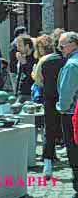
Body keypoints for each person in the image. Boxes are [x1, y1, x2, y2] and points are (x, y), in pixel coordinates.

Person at [56, 31, 78, 197]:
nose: (59, 49)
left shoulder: (71, 65)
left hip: (72, 114)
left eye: (62, 46)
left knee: (74, 150)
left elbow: (66, 94)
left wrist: (62, 108)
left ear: (72, 45)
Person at [41, 34, 65, 179]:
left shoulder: (46, 61)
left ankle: (48, 163)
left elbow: (39, 80)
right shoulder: (69, 61)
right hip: (66, 100)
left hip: (49, 100)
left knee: (49, 131)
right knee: (68, 132)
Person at [15, 35, 35, 103]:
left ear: (27, 46)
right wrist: (16, 92)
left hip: (31, 93)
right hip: (21, 93)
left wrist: (24, 63)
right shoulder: (23, 57)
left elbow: (33, 75)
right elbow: (20, 75)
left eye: (20, 46)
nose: (18, 49)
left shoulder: (35, 57)